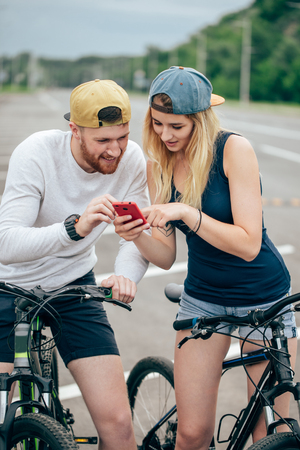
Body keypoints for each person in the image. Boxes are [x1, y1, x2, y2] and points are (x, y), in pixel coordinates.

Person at [114, 66, 298, 450]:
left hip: (265, 298)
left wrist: (189, 215)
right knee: (193, 433)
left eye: (176, 127)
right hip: (204, 298)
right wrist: (137, 237)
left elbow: (248, 244)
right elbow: (165, 256)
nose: (165, 135)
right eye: (158, 124)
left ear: (200, 120)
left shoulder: (233, 149)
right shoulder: (158, 163)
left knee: (276, 431)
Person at [0, 79, 149, 450]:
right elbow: (5, 243)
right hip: (8, 286)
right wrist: (74, 228)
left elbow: (135, 234)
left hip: (72, 285)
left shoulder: (131, 159)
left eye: (122, 137)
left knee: (118, 426)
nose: (115, 150)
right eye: (103, 141)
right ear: (75, 130)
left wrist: (126, 274)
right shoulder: (36, 153)